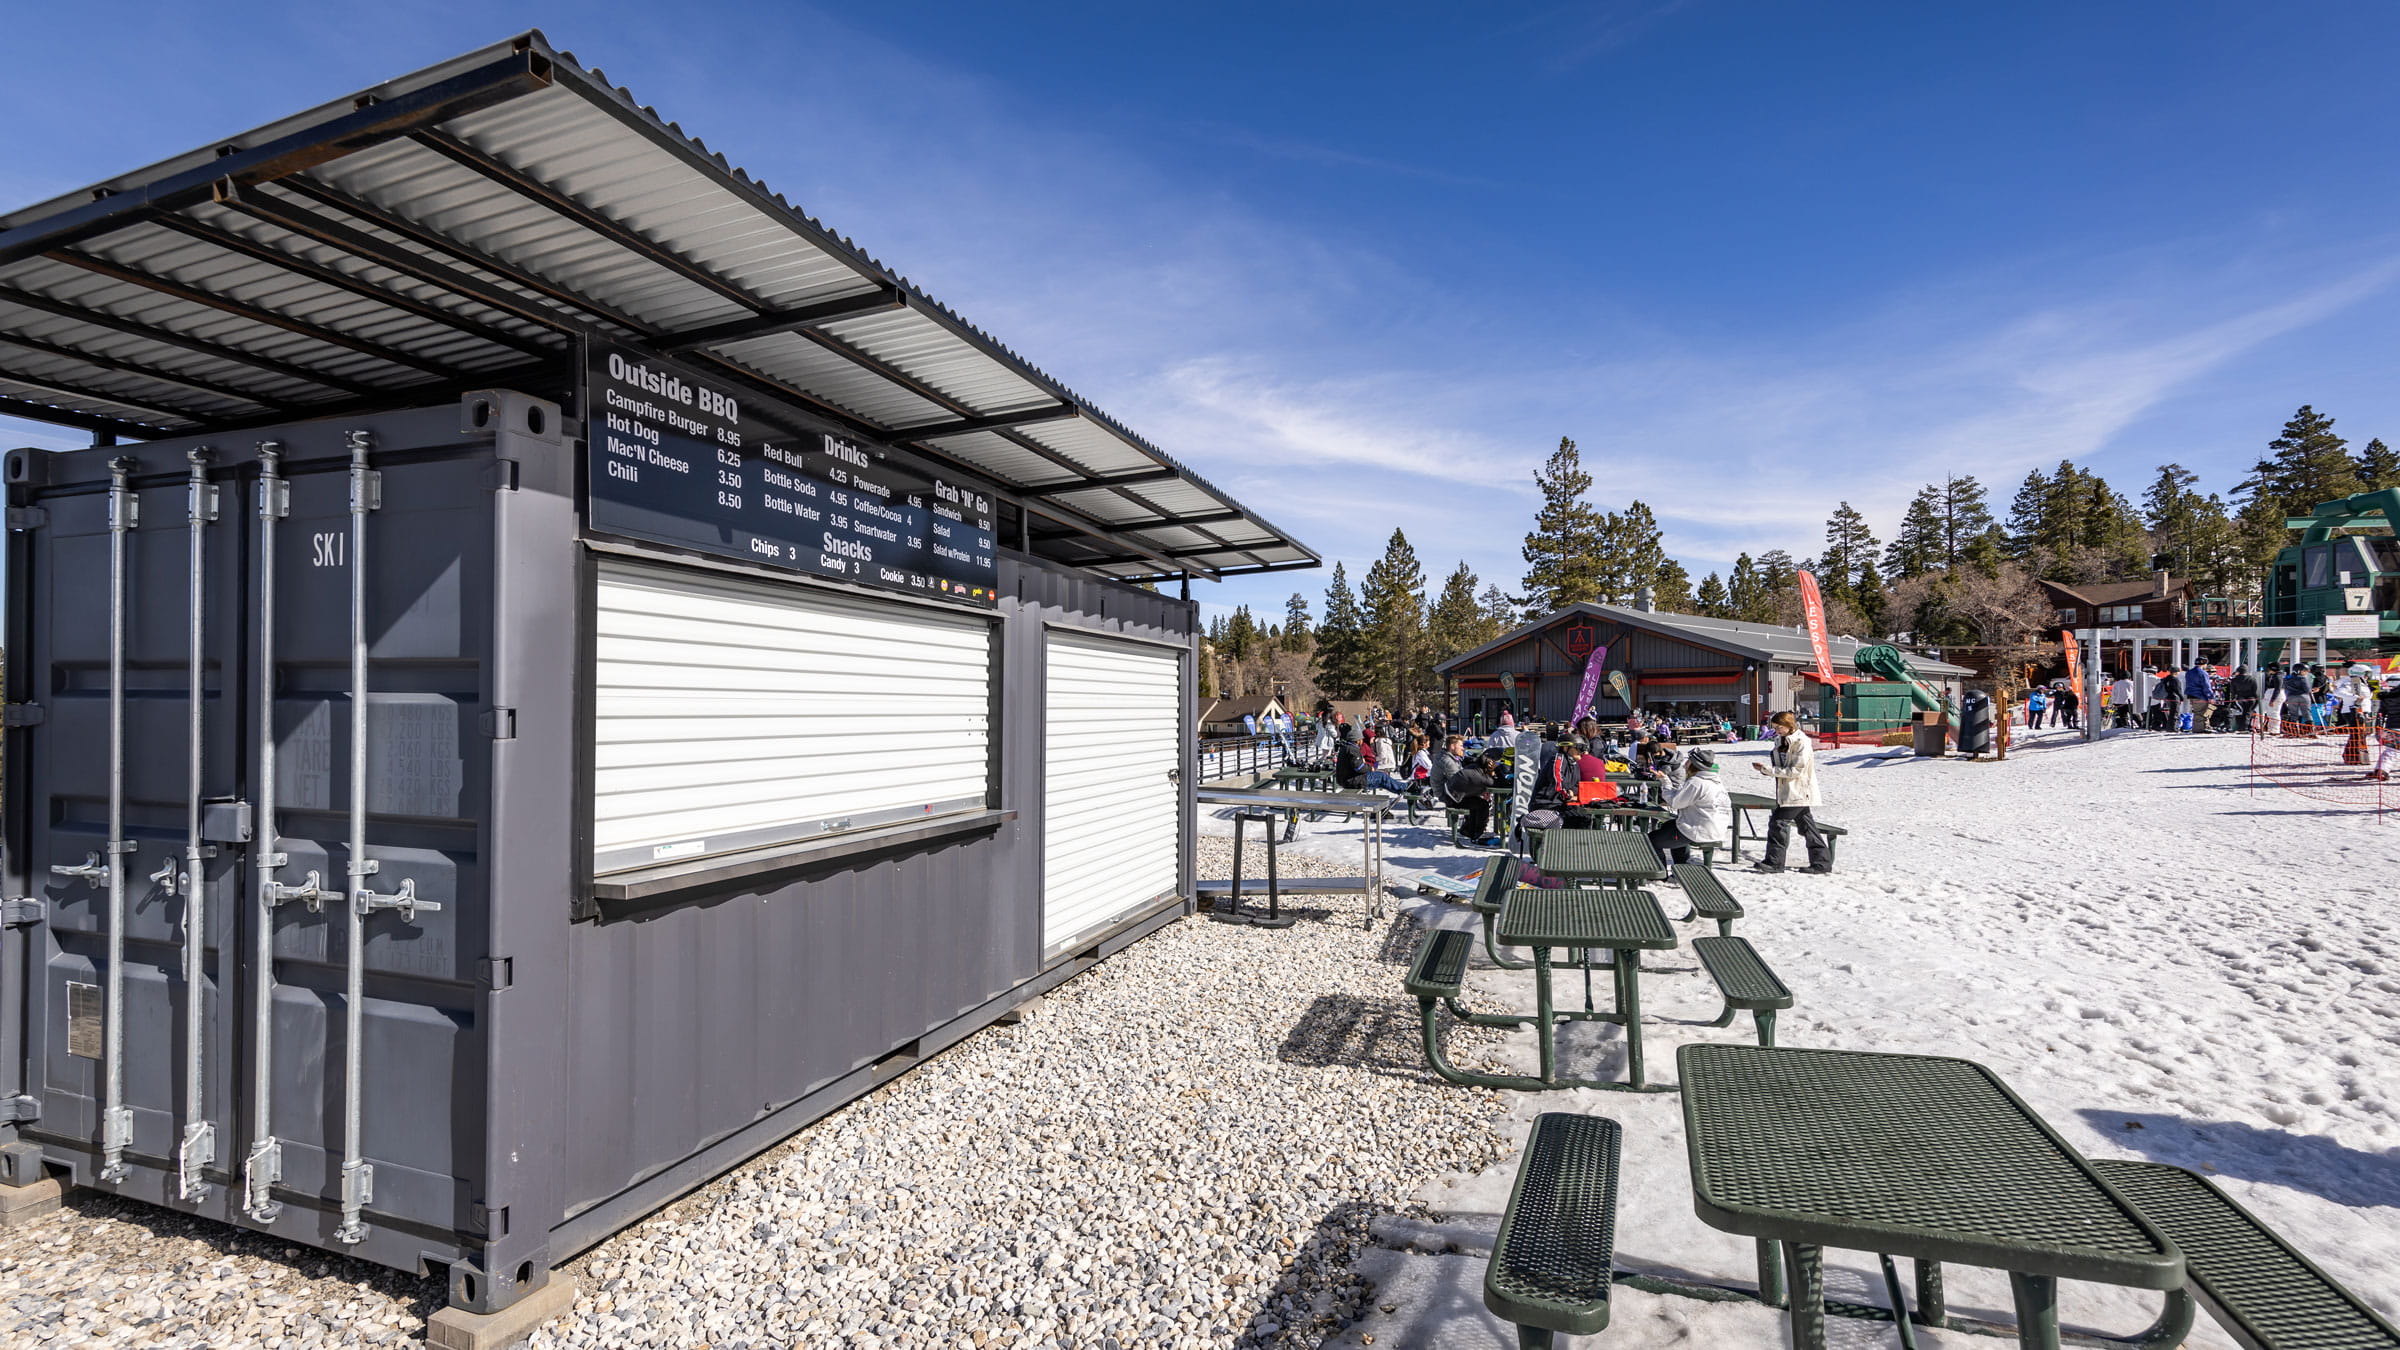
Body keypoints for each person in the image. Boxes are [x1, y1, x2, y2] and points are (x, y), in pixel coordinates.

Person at [1750, 710, 1830, 873]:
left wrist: (1768, 770)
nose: (1777, 730)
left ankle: (1775, 862)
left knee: (1777, 823)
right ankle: (1822, 862)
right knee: (1807, 827)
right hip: (1788, 791)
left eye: (1780, 727)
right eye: (1774, 727)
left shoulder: (1801, 742)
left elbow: (1797, 770)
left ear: (1789, 725)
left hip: (1799, 791)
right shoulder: (1781, 740)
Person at [1649, 747, 1731, 867]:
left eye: (1688, 761)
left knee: (1651, 840)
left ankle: (1660, 873)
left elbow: (1675, 802)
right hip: (1716, 829)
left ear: (1694, 764)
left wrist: (1664, 781)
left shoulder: (1697, 782)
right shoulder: (1716, 782)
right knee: (1670, 826)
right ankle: (1681, 867)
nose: (1684, 764)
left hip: (1700, 831)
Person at [1334, 723, 1410, 795]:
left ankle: (1402, 788)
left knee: (1382, 779)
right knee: (1382, 777)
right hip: (1353, 780)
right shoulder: (1353, 750)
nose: (1362, 741)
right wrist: (1370, 768)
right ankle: (1404, 788)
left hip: (1348, 778)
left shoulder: (1346, 747)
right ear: (1357, 740)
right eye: (1361, 739)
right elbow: (1359, 767)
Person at [2182, 660, 2216, 732]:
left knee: (2197, 711)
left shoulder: (2189, 672)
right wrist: (2210, 696)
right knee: (2201, 713)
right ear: (2204, 664)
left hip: (2191, 695)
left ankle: (2204, 726)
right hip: (2200, 695)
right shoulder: (2203, 673)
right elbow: (2206, 686)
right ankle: (2199, 729)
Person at [2223, 666, 2259, 733]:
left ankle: (2239, 727)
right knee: (2248, 713)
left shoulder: (2234, 680)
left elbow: (2232, 691)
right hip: (2251, 699)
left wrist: (2233, 699)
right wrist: (2256, 700)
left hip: (2240, 699)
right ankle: (2245, 727)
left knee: (2240, 713)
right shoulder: (2252, 679)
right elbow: (2255, 690)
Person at [2260, 662, 2287, 736]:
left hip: (2275, 696)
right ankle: (2271, 729)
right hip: (2272, 695)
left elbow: (2277, 689)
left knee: (2274, 713)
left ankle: (2275, 730)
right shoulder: (2275, 676)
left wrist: (2273, 700)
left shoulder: (2278, 677)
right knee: (2270, 713)